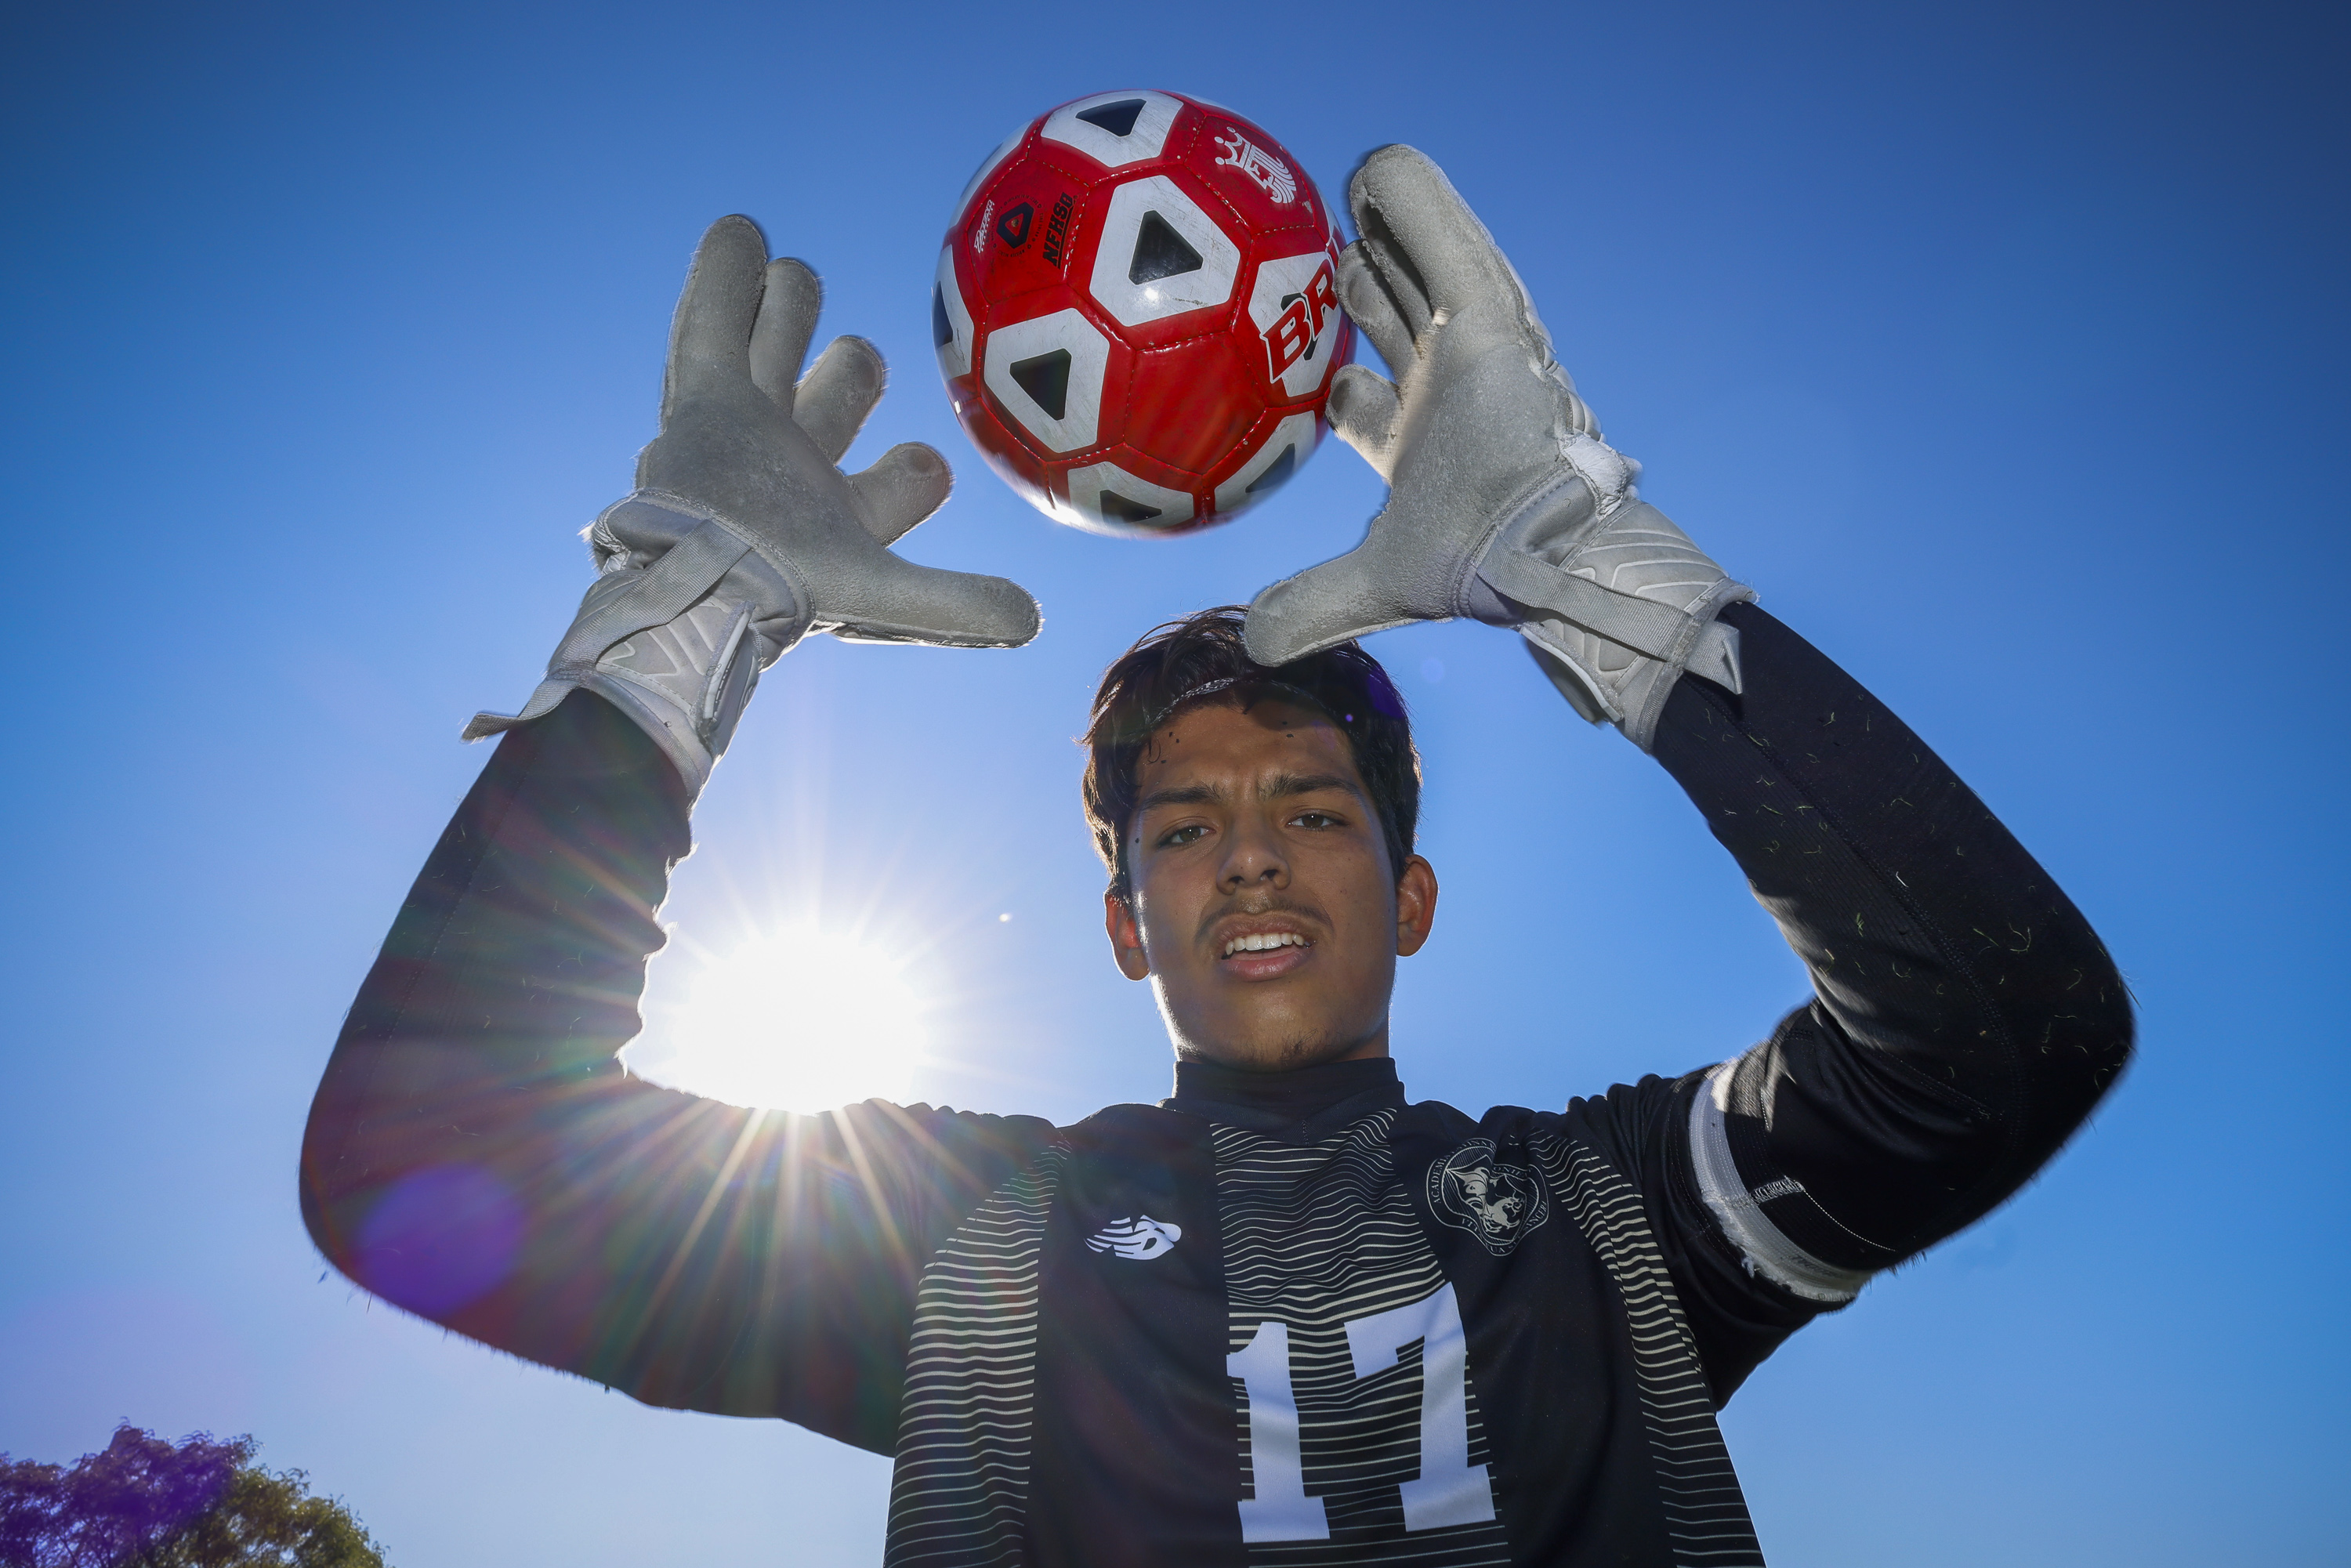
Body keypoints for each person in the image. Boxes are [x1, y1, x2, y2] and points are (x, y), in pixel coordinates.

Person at [300, 146, 2132, 1567]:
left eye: (1314, 812)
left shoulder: (1612, 1211)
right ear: (1124, 925)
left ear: (1413, 898)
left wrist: (1593, 566)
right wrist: (668, 639)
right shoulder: (959, 1247)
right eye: (1185, 829)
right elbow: (425, 1161)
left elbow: (1998, 1036)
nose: (1249, 861)